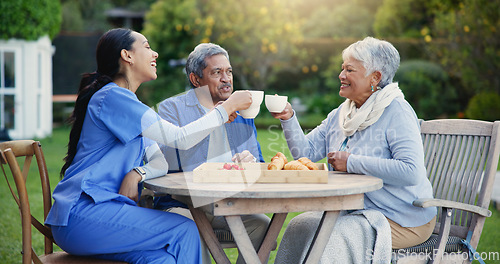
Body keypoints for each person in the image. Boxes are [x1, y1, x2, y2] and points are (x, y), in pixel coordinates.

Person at [45, 28, 253, 264]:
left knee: (163, 259)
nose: (154, 54)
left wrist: (138, 173)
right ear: (127, 55)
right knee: (185, 230)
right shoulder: (113, 97)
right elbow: (180, 138)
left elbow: (159, 161)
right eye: (146, 46)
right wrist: (225, 109)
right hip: (82, 215)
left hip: (103, 216)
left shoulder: (131, 105)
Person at [272, 37, 437, 259]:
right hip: (353, 210)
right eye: (343, 69)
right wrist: (288, 118)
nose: (341, 76)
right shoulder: (342, 114)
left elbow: (411, 172)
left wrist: (351, 162)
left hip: (401, 219)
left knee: (332, 238)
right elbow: (306, 155)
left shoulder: (397, 111)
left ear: (375, 77)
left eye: (350, 70)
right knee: (299, 226)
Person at [155, 43, 271, 264]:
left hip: (227, 203)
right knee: (189, 229)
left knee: (262, 225)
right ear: (196, 79)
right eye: (217, 72)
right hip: (182, 204)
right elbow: (172, 164)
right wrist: (218, 114)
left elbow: (259, 163)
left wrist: (250, 162)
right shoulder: (172, 109)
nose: (226, 78)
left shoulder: (242, 112)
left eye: (229, 71)